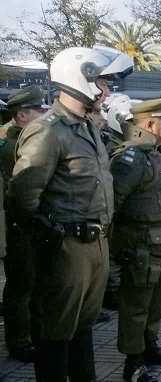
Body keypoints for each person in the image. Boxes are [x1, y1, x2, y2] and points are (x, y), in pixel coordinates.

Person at [9, 45, 133, 381]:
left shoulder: (88, 127)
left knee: (82, 329)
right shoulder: (48, 130)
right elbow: (22, 195)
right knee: (55, 332)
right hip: (65, 247)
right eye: (104, 83)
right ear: (83, 79)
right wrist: (50, 237)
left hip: (95, 244)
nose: (107, 91)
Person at [109, 94, 161, 381]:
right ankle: (133, 363)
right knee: (136, 305)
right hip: (142, 244)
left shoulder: (159, 153)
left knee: (156, 302)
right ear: (151, 123)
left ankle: (149, 346)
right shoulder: (132, 158)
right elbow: (112, 203)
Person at [0, 85, 49, 363]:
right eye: (38, 111)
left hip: (31, 221)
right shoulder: (11, 145)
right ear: (21, 115)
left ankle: (32, 332)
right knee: (21, 283)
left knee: (33, 280)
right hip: (18, 223)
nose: (43, 114)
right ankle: (18, 341)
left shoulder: (26, 138)